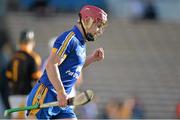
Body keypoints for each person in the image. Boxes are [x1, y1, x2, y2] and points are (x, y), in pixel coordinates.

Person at [26, 5, 108, 119]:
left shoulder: (81, 43)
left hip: (63, 100)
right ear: (87, 20)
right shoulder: (70, 39)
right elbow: (51, 65)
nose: (100, 31)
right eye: (98, 26)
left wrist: (92, 58)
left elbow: (73, 67)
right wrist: (60, 92)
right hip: (46, 94)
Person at [6, 29, 42, 118]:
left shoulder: (13, 57)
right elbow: (37, 78)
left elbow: (8, 77)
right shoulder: (33, 57)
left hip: (14, 94)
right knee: (30, 118)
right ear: (32, 42)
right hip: (27, 94)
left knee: (16, 118)